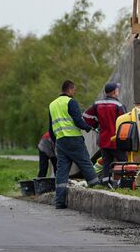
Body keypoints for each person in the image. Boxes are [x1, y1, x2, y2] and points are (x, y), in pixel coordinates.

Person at [48, 79, 97, 209]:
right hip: (74, 139)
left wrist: (56, 141)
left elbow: (50, 128)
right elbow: (78, 120)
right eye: (74, 90)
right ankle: (98, 191)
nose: (74, 92)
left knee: (62, 171)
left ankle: (59, 202)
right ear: (69, 89)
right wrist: (88, 128)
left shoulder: (52, 105)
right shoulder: (71, 102)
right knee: (86, 164)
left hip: (61, 142)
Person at [84, 82, 127, 183]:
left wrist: (95, 125)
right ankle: (123, 183)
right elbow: (125, 122)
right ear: (114, 92)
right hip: (116, 141)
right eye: (117, 90)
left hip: (103, 141)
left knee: (106, 163)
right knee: (123, 162)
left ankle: (105, 183)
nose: (118, 91)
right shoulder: (119, 105)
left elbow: (86, 116)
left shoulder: (97, 104)